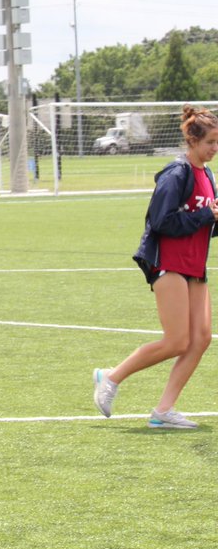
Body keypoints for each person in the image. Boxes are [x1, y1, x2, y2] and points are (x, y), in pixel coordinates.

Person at [93, 104, 218, 430]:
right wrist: (208, 215)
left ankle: (164, 411)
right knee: (177, 340)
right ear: (192, 140)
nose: (215, 148)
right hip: (169, 264)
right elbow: (160, 222)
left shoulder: (209, 175)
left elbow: (205, 224)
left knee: (201, 338)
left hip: (194, 266)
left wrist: (213, 218)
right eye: (210, 142)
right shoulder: (176, 174)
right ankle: (111, 376)